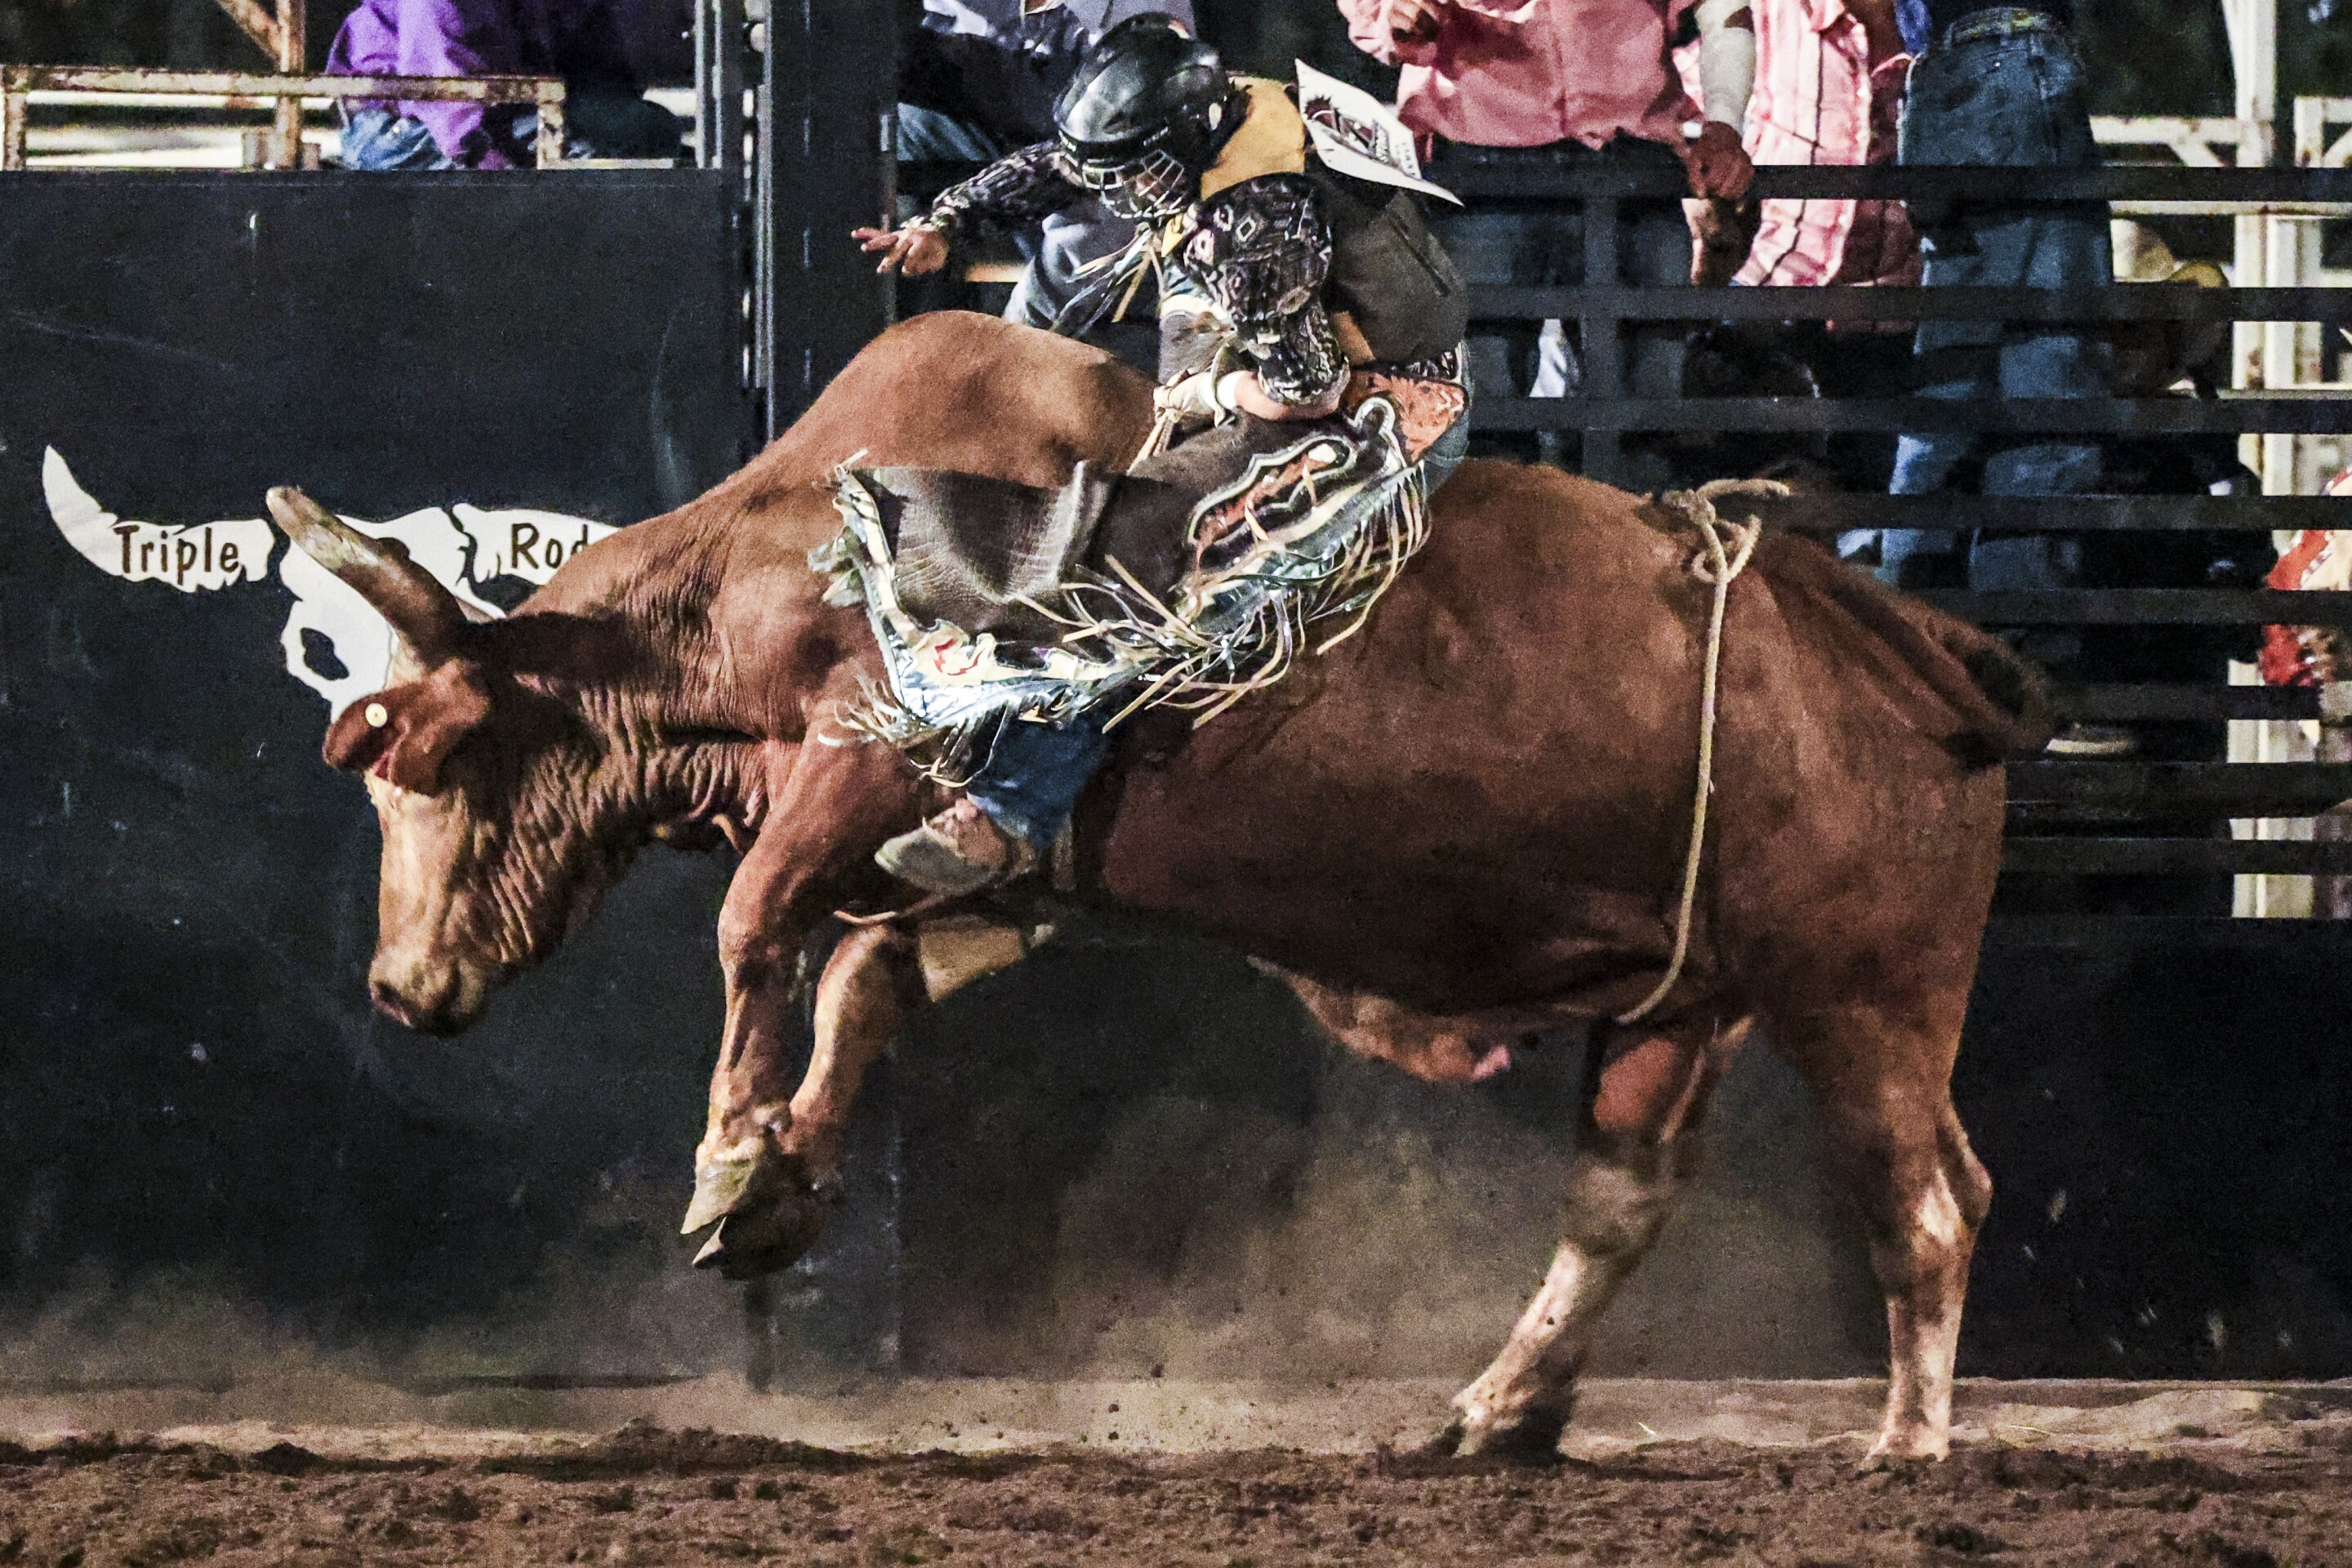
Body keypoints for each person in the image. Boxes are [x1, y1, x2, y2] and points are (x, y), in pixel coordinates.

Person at [843, 16, 1471, 894]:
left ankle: (1013, 811)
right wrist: (952, 218)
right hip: (1285, 314)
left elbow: (1307, 389)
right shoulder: (1219, 119)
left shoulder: (1254, 213)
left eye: (1134, 174)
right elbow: (1066, 164)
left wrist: (1204, 394)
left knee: (1142, 564)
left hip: (1377, 403)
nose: (1119, 193)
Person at [1336, 0, 1758, 476]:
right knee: (1480, 409)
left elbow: (1723, 7)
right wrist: (1394, 16)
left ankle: (1628, 513)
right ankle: (1504, 514)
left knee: (1641, 409)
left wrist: (1724, 125)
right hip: (1487, 158)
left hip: (1624, 158)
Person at [1873, 0, 2119, 755]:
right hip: (2013, 63)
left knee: (1956, 382)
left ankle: (1901, 652)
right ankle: (2020, 679)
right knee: (2050, 378)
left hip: (1945, 80)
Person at [897, 0, 1195, 329]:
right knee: (893, 127)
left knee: (1109, 197)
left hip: (1111, 170)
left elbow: (1100, 160)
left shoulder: (1142, 20)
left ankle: (1025, 339)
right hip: (1009, 134)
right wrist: (943, 224)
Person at [330, 0, 684, 170]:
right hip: (404, 128)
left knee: (650, 131)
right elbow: (439, 82)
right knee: (602, 147)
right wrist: (493, 174)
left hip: (496, 109)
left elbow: (595, 64)